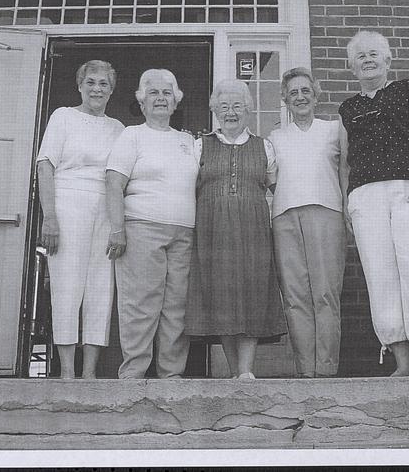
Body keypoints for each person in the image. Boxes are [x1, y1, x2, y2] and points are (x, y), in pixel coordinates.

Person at [338, 31, 409, 376]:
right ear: (351, 66)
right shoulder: (348, 108)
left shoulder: (407, 90)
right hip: (364, 197)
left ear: (387, 60)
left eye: (374, 54)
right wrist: (346, 204)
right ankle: (401, 363)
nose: (367, 60)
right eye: (360, 56)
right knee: (380, 274)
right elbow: (344, 161)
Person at [185, 79, 287, 379]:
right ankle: (234, 370)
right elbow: (186, 188)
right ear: (215, 110)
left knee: (253, 292)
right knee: (221, 296)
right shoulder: (200, 144)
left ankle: (246, 369)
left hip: (253, 230)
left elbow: (277, 188)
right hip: (212, 231)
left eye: (237, 106)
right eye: (224, 106)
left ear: (248, 109)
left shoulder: (263, 146)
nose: (231, 112)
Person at [105, 69, 199, 379]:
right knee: (141, 305)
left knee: (176, 309)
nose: (161, 98)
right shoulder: (132, 135)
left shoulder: (189, 142)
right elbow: (113, 183)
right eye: (154, 93)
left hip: (184, 232)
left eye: (167, 93)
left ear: (176, 102)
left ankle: (171, 377)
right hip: (142, 228)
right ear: (142, 102)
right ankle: (133, 377)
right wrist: (117, 229)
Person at [36, 60, 124, 379]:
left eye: (103, 84)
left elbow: (122, 176)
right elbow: (45, 167)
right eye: (91, 82)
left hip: (106, 206)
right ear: (80, 86)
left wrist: (118, 224)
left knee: (102, 286)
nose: (96, 89)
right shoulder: (63, 116)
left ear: (112, 90)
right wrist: (50, 218)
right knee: (67, 285)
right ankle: (67, 372)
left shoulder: (118, 128)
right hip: (67, 202)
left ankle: (89, 373)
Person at [268, 67, 346, 378]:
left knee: (325, 292)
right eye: (293, 92)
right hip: (284, 217)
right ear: (284, 99)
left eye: (305, 91)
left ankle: (325, 369)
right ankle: (306, 371)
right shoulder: (275, 137)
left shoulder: (334, 129)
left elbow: (347, 171)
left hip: (326, 212)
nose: (300, 97)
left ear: (315, 95)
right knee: (295, 296)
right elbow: (270, 180)